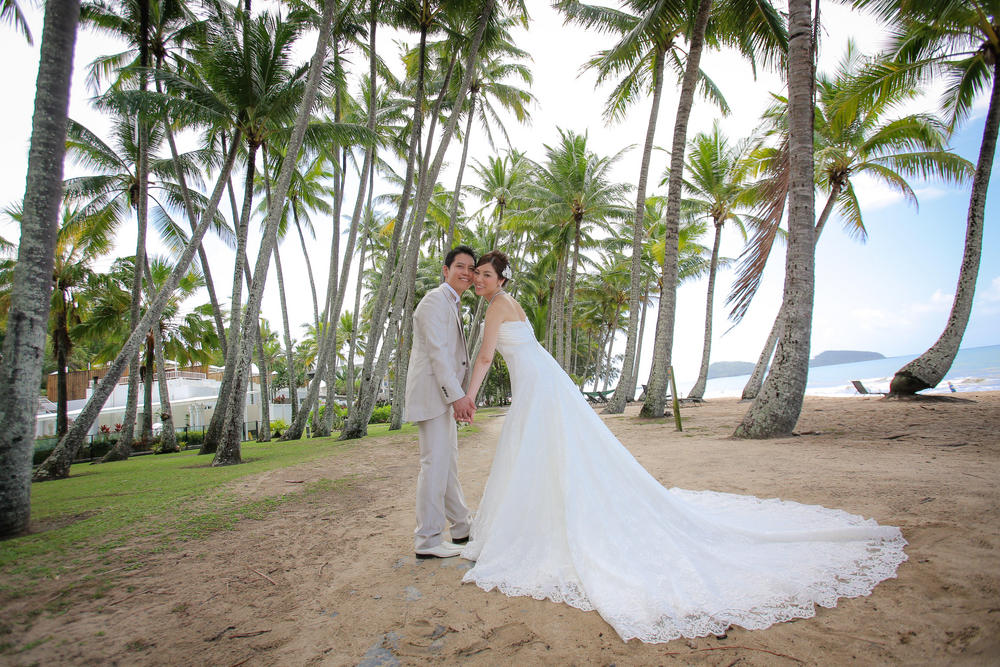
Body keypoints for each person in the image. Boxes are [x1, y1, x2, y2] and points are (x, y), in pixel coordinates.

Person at [458, 250, 908, 643]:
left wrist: (470, 395)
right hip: (543, 381)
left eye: (485, 275)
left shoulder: (499, 306)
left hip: (538, 385)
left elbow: (484, 358)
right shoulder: (509, 302)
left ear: (501, 280)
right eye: (476, 275)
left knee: (541, 452)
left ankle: (540, 526)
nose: (479, 280)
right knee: (548, 453)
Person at [404, 245, 477, 559]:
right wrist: (458, 396)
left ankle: (461, 526)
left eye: (471, 269)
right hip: (434, 395)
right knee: (434, 465)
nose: (466, 272)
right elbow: (438, 354)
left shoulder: (452, 303)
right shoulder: (435, 300)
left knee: (447, 465)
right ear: (445, 271)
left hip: (442, 398)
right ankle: (428, 540)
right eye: (459, 266)